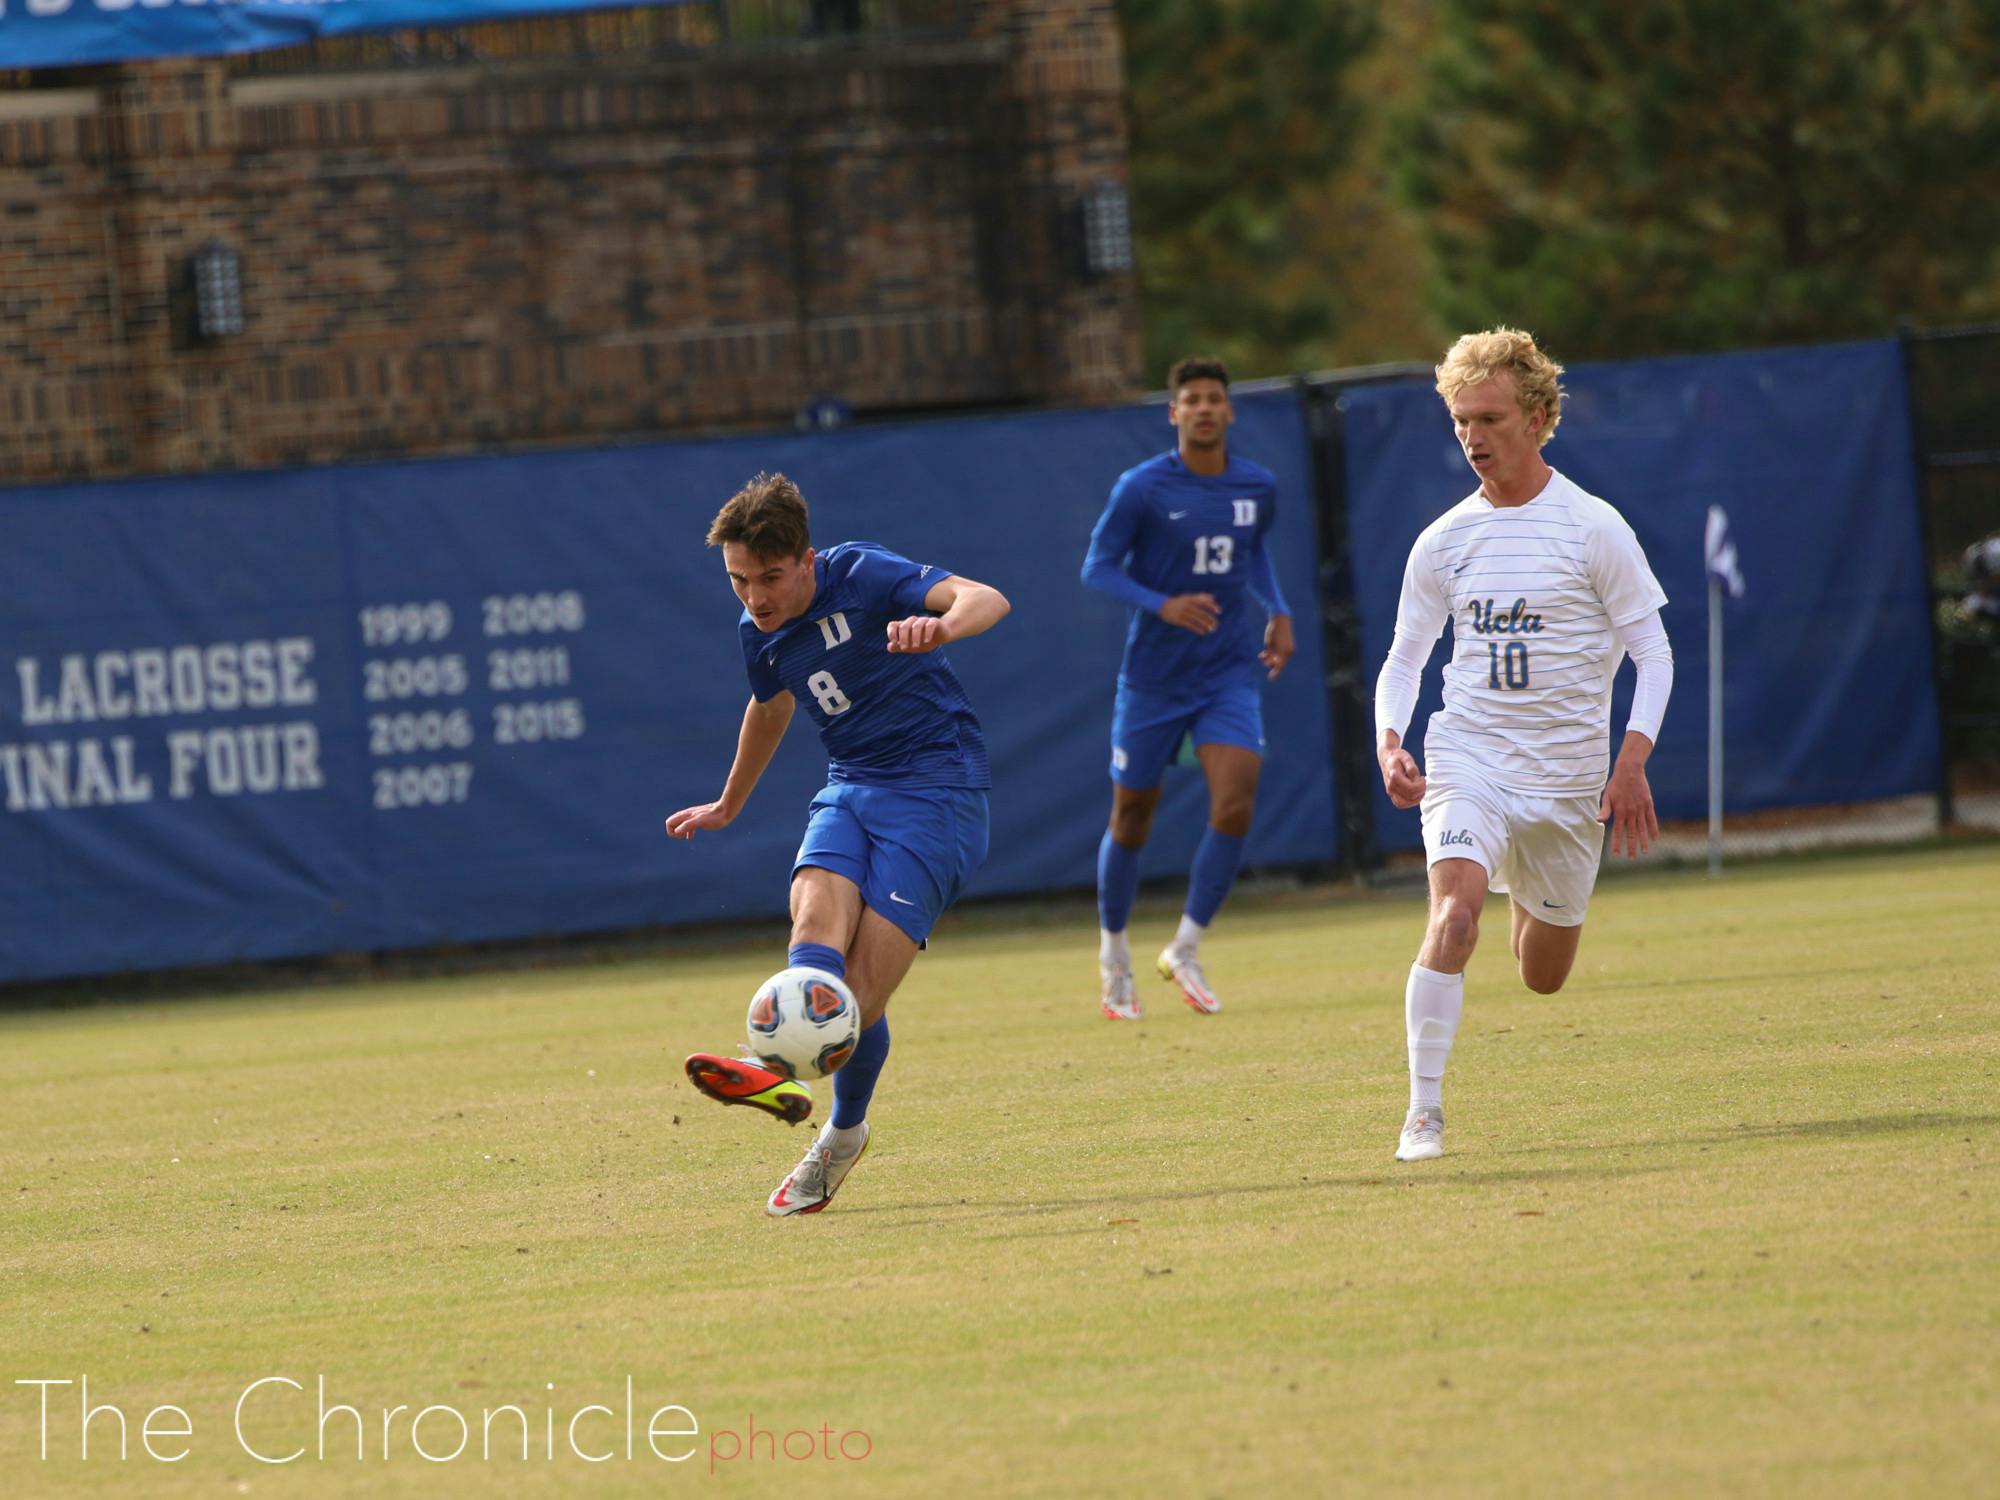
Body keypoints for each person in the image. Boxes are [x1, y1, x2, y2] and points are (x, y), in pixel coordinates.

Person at [666, 473, 1010, 1215]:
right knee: (813, 922)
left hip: (938, 793)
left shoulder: (861, 573)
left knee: (858, 996)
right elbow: (770, 706)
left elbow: (988, 598)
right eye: (737, 580)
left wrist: (942, 625)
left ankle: (839, 1133)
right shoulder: (756, 632)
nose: (754, 597)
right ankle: (781, 1075)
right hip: (851, 786)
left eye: (769, 577)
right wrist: (729, 802)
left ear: (808, 560)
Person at [1374, 328, 1674, 1162]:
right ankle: (1422, 1115)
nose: (1473, 437)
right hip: (1469, 756)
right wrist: (1390, 741)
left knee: (1543, 974)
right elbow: (1406, 657)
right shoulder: (1443, 540)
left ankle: (1528, 890)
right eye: (1461, 420)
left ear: (1539, 418)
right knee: (1455, 914)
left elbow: (1654, 653)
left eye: (1491, 418)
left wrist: (1631, 760)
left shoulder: (1593, 528)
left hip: (1568, 782)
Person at [1081, 356, 1295, 1021]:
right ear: (1173, 412)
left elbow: (1252, 551)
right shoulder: (1142, 488)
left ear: (1230, 411)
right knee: (1132, 816)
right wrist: (1162, 603)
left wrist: (1278, 608)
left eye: (1214, 399)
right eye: (1191, 399)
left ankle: (1186, 946)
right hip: (1153, 679)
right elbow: (1098, 567)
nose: (1204, 408)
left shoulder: (1256, 485)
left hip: (1226, 670)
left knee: (1234, 803)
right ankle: (1114, 953)